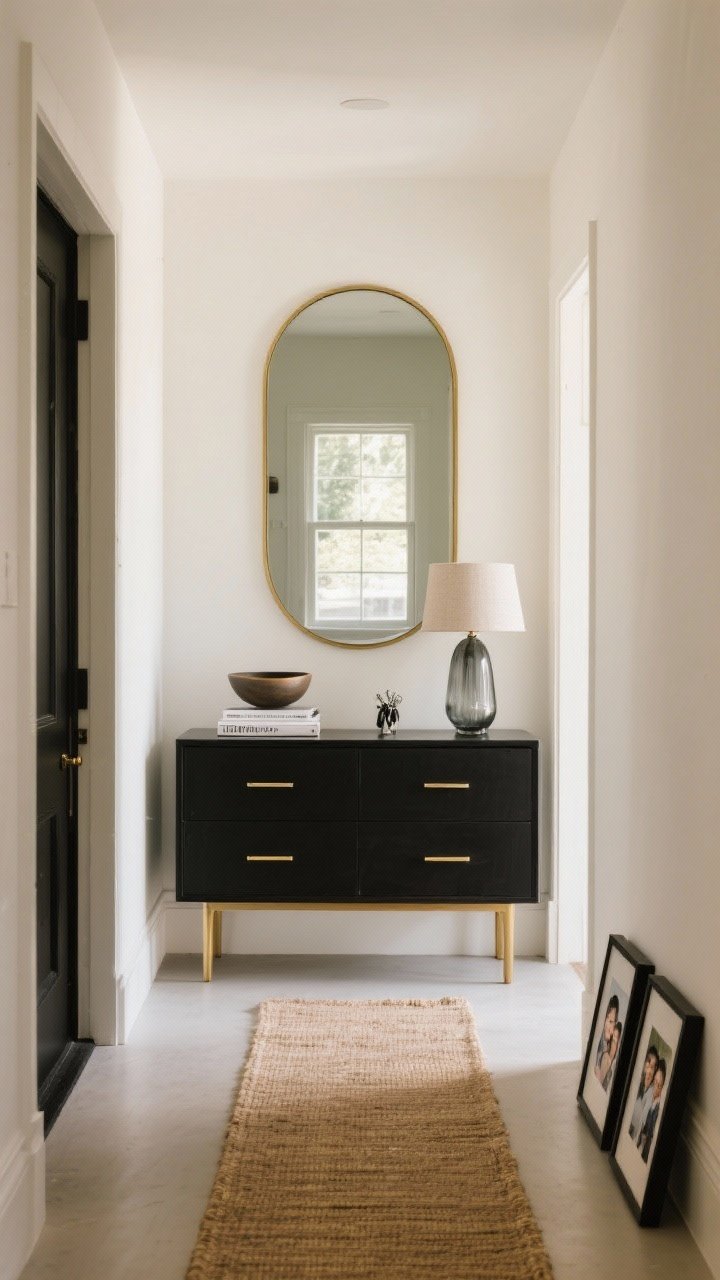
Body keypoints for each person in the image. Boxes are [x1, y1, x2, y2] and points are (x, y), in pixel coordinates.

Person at [629, 1045, 659, 1139]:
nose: (649, 1071)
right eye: (648, 1066)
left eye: (653, 1068)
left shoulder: (651, 1093)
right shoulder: (635, 1084)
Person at [640, 1059, 666, 1162]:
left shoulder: (657, 1107)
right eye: (655, 1082)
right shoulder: (647, 1093)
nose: (656, 1088)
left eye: (659, 1086)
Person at [594, 995, 619, 1081]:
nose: (612, 1029)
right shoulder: (597, 1042)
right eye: (610, 1021)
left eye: (614, 1024)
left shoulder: (605, 1050)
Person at [601, 1021, 622, 1092]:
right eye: (613, 1038)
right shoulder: (605, 1056)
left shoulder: (615, 1063)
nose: (614, 1043)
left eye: (617, 1040)